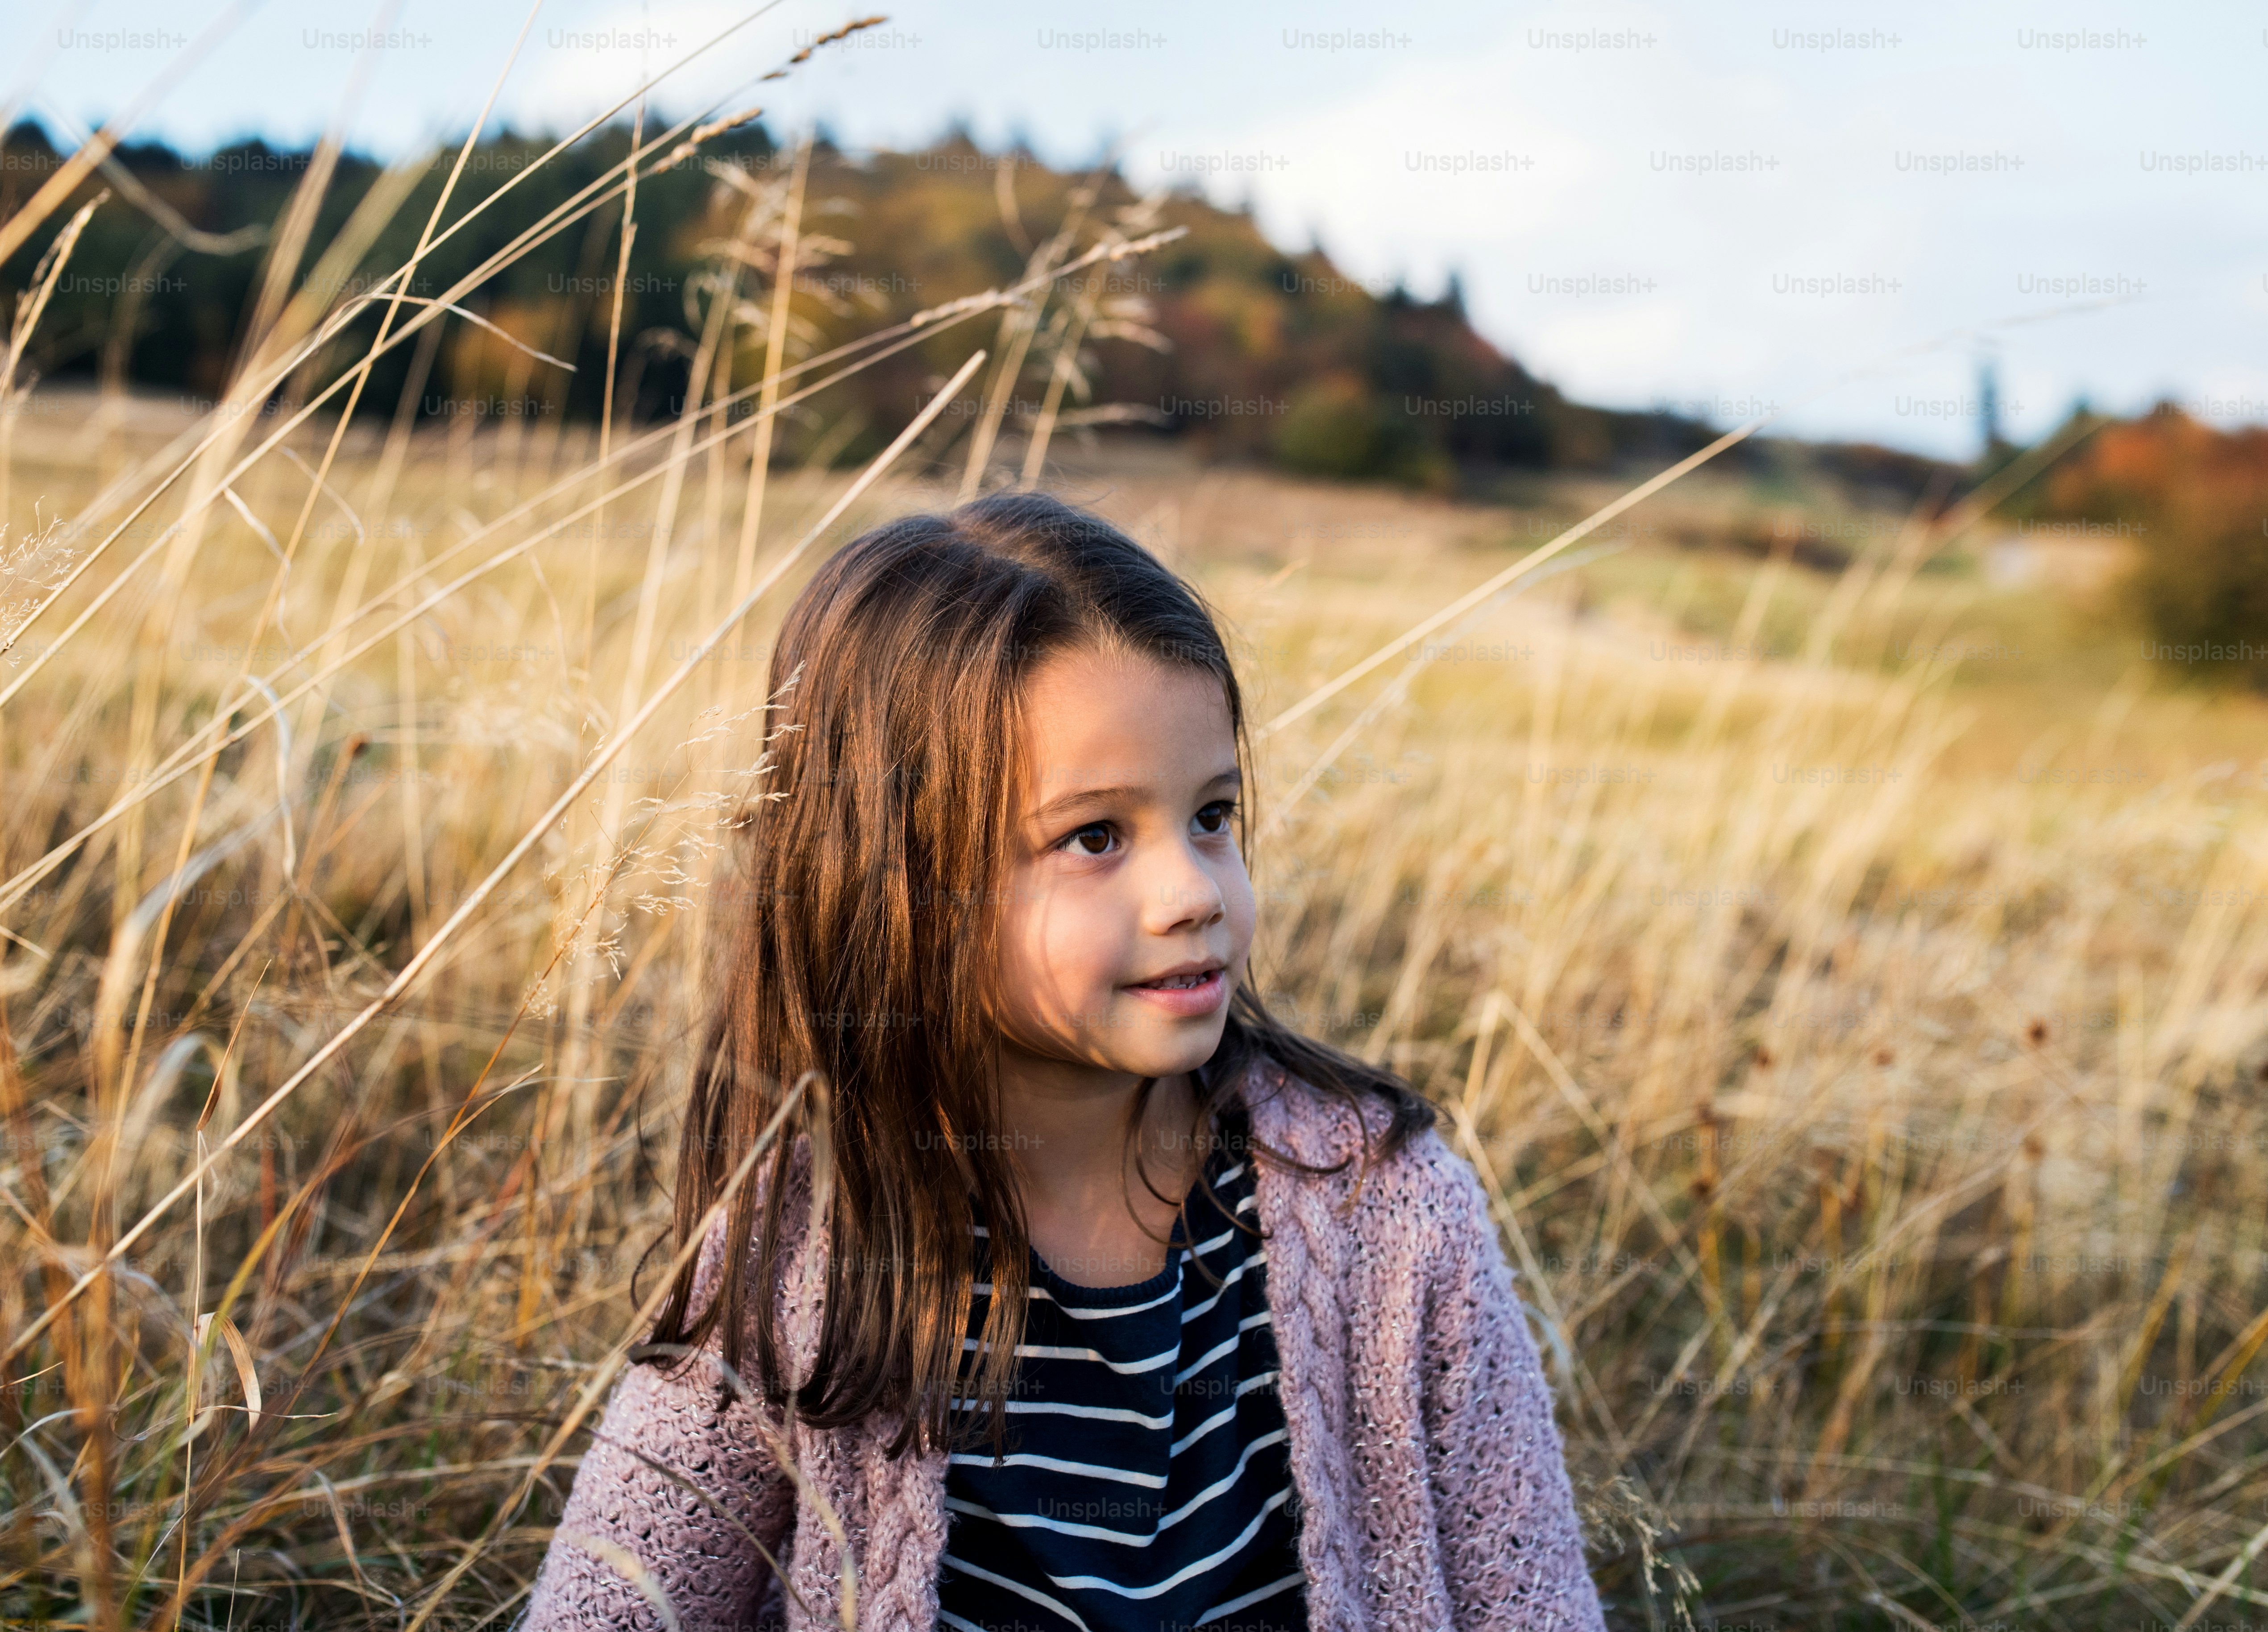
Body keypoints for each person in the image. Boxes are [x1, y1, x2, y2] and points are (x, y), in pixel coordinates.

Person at [520, 492, 1604, 1632]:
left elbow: (1522, 1587)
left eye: (1213, 814)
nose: (1194, 892)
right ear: (899, 883)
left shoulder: (1383, 1204)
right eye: (1096, 836)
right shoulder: (804, 1239)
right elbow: (612, 1601)